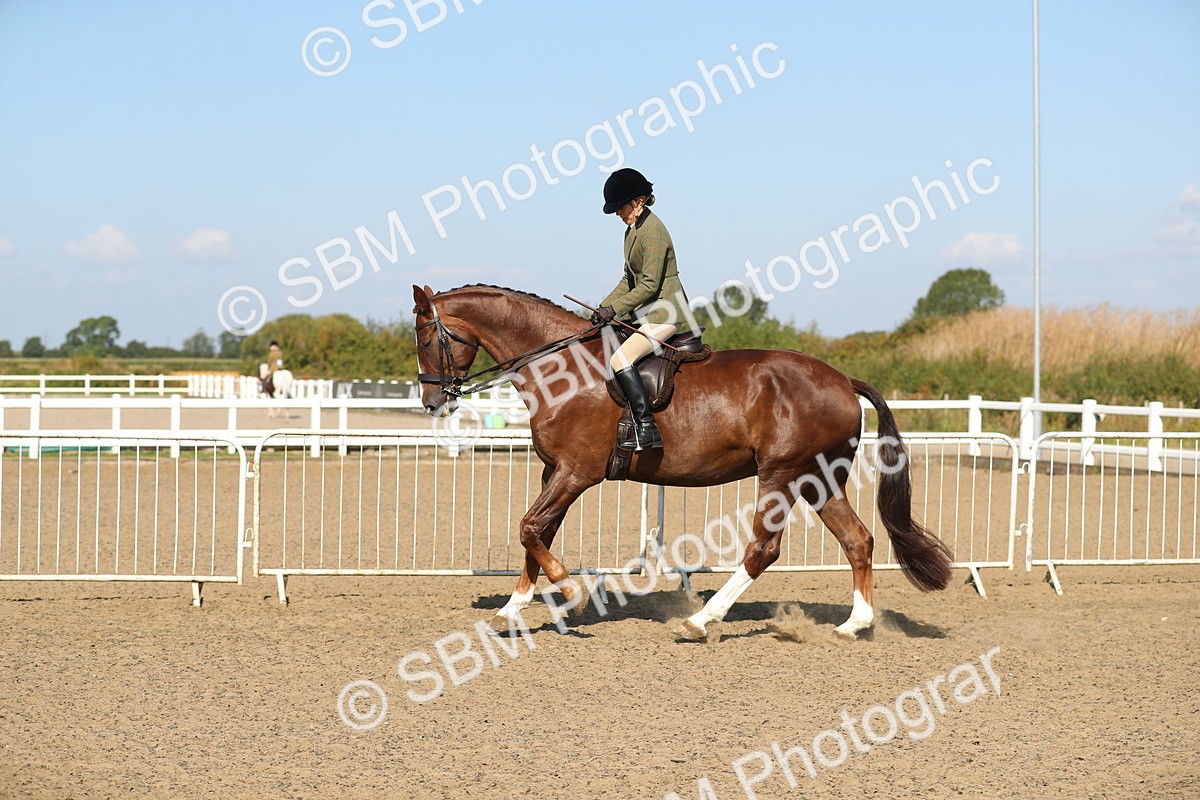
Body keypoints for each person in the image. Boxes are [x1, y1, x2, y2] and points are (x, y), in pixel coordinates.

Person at [591, 168, 691, 451]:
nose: (617, 214)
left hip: (665, 313)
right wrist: (604, 307)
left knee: (620, 360)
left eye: (620, 207)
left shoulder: (654, 231)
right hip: (646, 313)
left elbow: (648, 285)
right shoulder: (632, 231)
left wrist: (616, 309)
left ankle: (646, 427)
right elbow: (628, 278)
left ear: (638, 201)